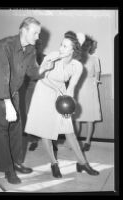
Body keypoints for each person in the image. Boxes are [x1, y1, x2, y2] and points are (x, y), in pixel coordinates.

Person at [0, 17, 55, 184]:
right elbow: (2, 76)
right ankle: (7, 169)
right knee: (2, 131)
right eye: (35, 32)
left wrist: (43, 69)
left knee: (16, 130)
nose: (38, 37)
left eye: (39, 33)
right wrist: (8, 103)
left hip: (15, 91)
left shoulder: (30, 49)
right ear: (23, 30)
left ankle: (16, 162)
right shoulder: (4, 46)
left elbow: (32, 72)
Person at [25, 31, 99, 178]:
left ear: (73, 50)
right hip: (44, 92)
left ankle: (82, 163)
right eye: (61, 44)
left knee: (69, 130)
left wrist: (69, 106)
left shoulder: (77, 66)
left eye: (65, 47)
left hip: (61, 94)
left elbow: (71, 89)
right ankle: (53, 163)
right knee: (46, 131)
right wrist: (46, 65)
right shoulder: (53, 56)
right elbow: (39, 75)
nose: (61, 48)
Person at [25, 39, 58, 158]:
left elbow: (52, 75)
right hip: (29, 90)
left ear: (40, 46)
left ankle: (52, 141)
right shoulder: (25, 59)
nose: (34, 48)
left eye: (36, 46)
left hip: (44, 89)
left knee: (47, 116)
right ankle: (34, 140)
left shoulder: (46, 58)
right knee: (30, 115)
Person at [74, 35, 102, 151]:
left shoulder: (95, 58)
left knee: (90, 117)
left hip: (90, 89)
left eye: (88, 45)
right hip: (79, 89)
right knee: (77, 117)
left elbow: (97, 74)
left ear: (90, 46)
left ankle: (87, 141)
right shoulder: (77, 58)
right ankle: (75, 141)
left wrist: (94, 82)